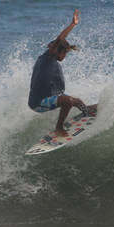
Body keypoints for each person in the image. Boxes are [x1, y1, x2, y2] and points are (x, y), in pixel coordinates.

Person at [28, 9, 94, 137]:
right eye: (64, 53)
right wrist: (72, 24)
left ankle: (87, 112)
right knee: (68, 101)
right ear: (56, 51)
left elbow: (60, 41)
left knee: (78, 102)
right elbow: (60, 39)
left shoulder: (48, 59)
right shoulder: (48, 58)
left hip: (46, 97)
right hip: (38, 103)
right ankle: (59, 128)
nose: (64, 56)